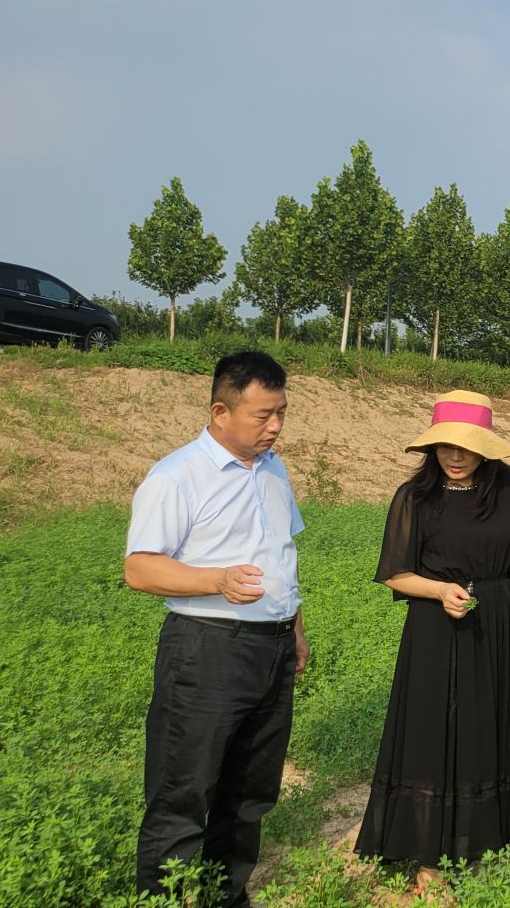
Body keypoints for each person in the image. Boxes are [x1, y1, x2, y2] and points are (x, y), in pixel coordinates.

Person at [124, 351, 308, 908]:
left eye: (281, 413)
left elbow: (283, 552)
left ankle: (227, 897)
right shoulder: (178, 476)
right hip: (206, 649)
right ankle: (165, 899)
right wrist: (215, 580)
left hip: (271, 650)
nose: (275, 426)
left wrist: (295, 629)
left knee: (250, 791)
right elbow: (139, 567)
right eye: (263, 415)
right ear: (220, 411)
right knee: (184, 790)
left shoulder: (273, 469)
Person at [356, 390, 510, 895]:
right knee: (433, 736)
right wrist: (439, 590)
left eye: (465, 447)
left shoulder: (505, 485)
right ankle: (429, 867)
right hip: (436, 627)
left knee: (487, 728)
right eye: (444, 447)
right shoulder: (414, 498)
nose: (454, 457)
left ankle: (480, 843)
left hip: (498, 623)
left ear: (485, 448)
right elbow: (394, 574)